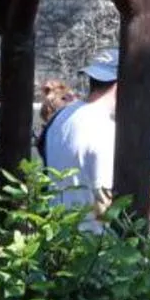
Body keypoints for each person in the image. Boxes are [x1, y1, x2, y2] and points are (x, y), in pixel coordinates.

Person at [41, 49, 119, 213]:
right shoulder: (105, 129)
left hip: (55, 229)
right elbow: (103, 201)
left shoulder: (62, 116)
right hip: (91, 236)